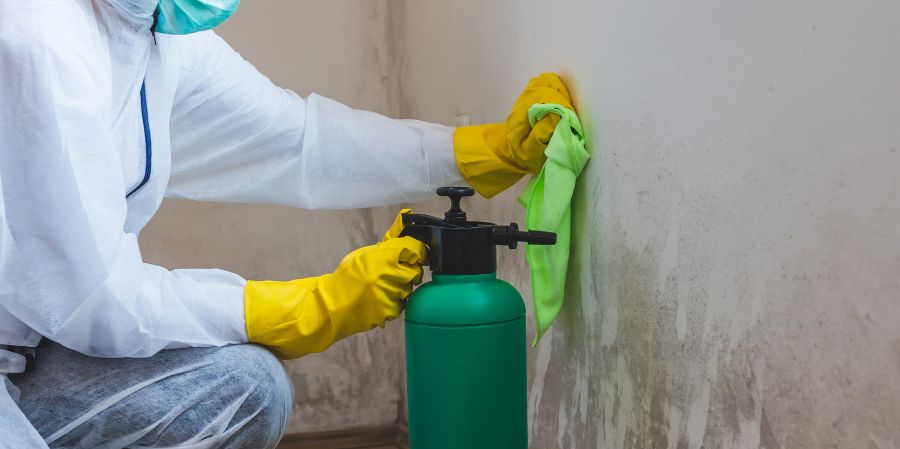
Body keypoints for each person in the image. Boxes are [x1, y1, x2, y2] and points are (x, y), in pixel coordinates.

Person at [0, 0, 573, 447]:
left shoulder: (150, 30)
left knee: (246, 386)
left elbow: (300, 143)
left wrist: (479, 153)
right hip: (38, 341)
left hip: (33, 349)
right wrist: (310, 306)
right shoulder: (42, 37)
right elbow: (93, 301)